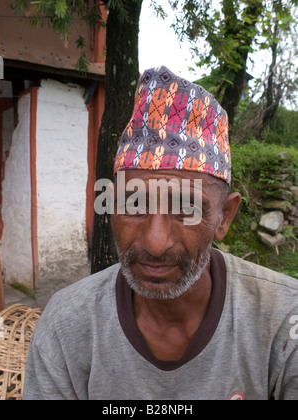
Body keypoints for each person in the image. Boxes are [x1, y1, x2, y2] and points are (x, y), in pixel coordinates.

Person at [23, 66, 298, 400]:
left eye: (185, 209)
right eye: (134, 204)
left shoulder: (285, 321)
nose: (155, 242)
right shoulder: (67, 327)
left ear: (224, 216)